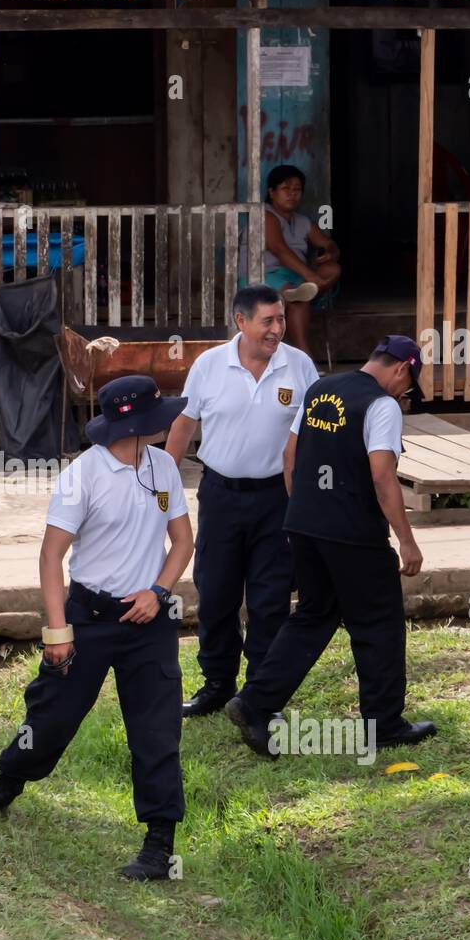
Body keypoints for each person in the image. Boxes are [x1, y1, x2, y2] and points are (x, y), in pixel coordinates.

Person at [0, 375, 195, 881]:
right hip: (87, 617)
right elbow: (51, 556)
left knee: (157, 731)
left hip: (149, 620)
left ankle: (159, 843)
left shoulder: (163, 468)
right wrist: (58, 630)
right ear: (137, 424)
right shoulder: (82, 475)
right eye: (160, 414)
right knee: (51, 714)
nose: (169, 420)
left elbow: (182, 542)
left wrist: (158, 592)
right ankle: (7, 781)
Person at [225, 335, 437, 759]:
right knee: (379, 623)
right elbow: (382, 476)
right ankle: (384, 723)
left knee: (312, 616)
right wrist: (407, 540)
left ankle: (255, 703)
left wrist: (301, 510)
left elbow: (290, 456)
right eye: (409, 385)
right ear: (401, 368)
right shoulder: (382, 406)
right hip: (355, 533)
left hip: (305, 525)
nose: (404, 393)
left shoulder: (320, 389)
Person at [165, 285, 319, 721]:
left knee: (270, 599)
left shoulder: (299, 366)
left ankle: (258, 692)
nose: (277, 329)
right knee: (215, 592)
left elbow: (317, 430)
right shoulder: (210, 365)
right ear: (241, 321)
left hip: (278, 498)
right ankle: (217, 684)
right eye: (267, 321)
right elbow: (182, 425)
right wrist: (159, 484)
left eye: (281, 319)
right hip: (220, 496)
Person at [257, 164, 342, 358]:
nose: (292, 194)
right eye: (286, 189)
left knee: (333, 269)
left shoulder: (303, 221)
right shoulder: (266, 215)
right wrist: (311, 275)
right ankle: (306, 359)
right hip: (264, 277)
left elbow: (328, 243)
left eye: (297, 190)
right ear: (272, 192)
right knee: (299, 301)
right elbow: (279, 249)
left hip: (296, 279)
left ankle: (300, 292)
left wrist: (331, 252)